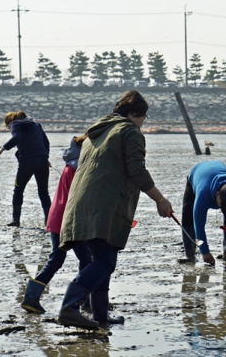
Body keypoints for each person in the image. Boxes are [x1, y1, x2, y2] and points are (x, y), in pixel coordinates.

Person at [57, 90, 173, 330]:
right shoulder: (130, 131)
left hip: (80, 204)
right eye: (143, 116)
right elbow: (137, 171)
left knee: (101, 259)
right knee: (105, 262)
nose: (143, 121)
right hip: (104, 206)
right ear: (133, 113)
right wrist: (160, 199)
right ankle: (69, 307)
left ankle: (100, 316)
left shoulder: (95, 132)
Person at [21, 134, 94, 315]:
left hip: (59, 217)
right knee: (83, 260)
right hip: (70, 220)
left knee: (63, 259)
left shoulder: (71, 163)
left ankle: (33, 297)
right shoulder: (79, 167)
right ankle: (82, 299)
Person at [0, 111, 51, 227]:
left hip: (27, 161)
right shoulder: (36, 125)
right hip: (42, 160)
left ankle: (16, 220)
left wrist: (1, 150)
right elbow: (46, 142)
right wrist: (46, 157)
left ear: (10, 121)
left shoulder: (16, 124)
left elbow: (16, 138)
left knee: (18, 190)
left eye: (7, 126)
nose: (9, 128)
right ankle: (48, 221)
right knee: (44, 192)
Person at [181, 160, 226, 265]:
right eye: (223, 205)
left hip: (217, 169)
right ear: (217, 194)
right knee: (188, 216)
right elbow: (199, 226)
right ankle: (190, 254)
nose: (224, 208)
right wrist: (205, 252)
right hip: (197, 173)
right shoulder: (203, 194)